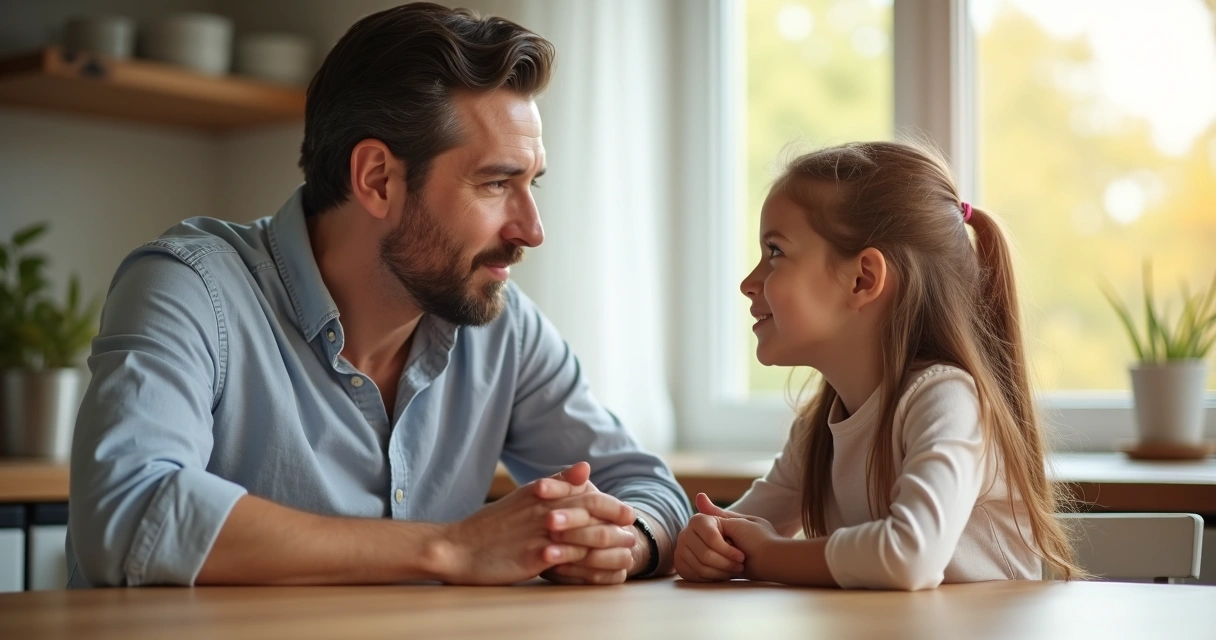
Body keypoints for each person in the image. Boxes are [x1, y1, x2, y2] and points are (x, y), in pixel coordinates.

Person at [66, 2, 689, 588]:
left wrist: (622, 543)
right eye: (498, 183)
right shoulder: (191, 287)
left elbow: (644, 487)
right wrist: (450, 549)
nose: (531, 229)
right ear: (377, 179)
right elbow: (127, 511)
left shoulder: (502, 325)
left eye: (532, 185)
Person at [674, 140, 1081, 590]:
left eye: (775, 253)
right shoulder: (817, 431)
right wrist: (707, 542)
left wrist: (767, 554)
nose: (748, 283)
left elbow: (910, 557)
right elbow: (738, 530)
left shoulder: (945, 399)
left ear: (863, 279)